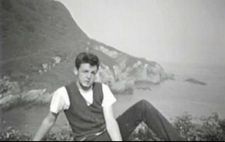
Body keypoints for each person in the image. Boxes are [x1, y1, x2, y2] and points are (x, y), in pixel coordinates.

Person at [33, 52, 184, 141]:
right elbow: (49, 120)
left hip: (106, 136)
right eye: (85, 72)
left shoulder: (103, 89)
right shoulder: (63, 93)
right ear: (76, 71)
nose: (89, 77)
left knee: (143, 106)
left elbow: (110, 121)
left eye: (93, 73)